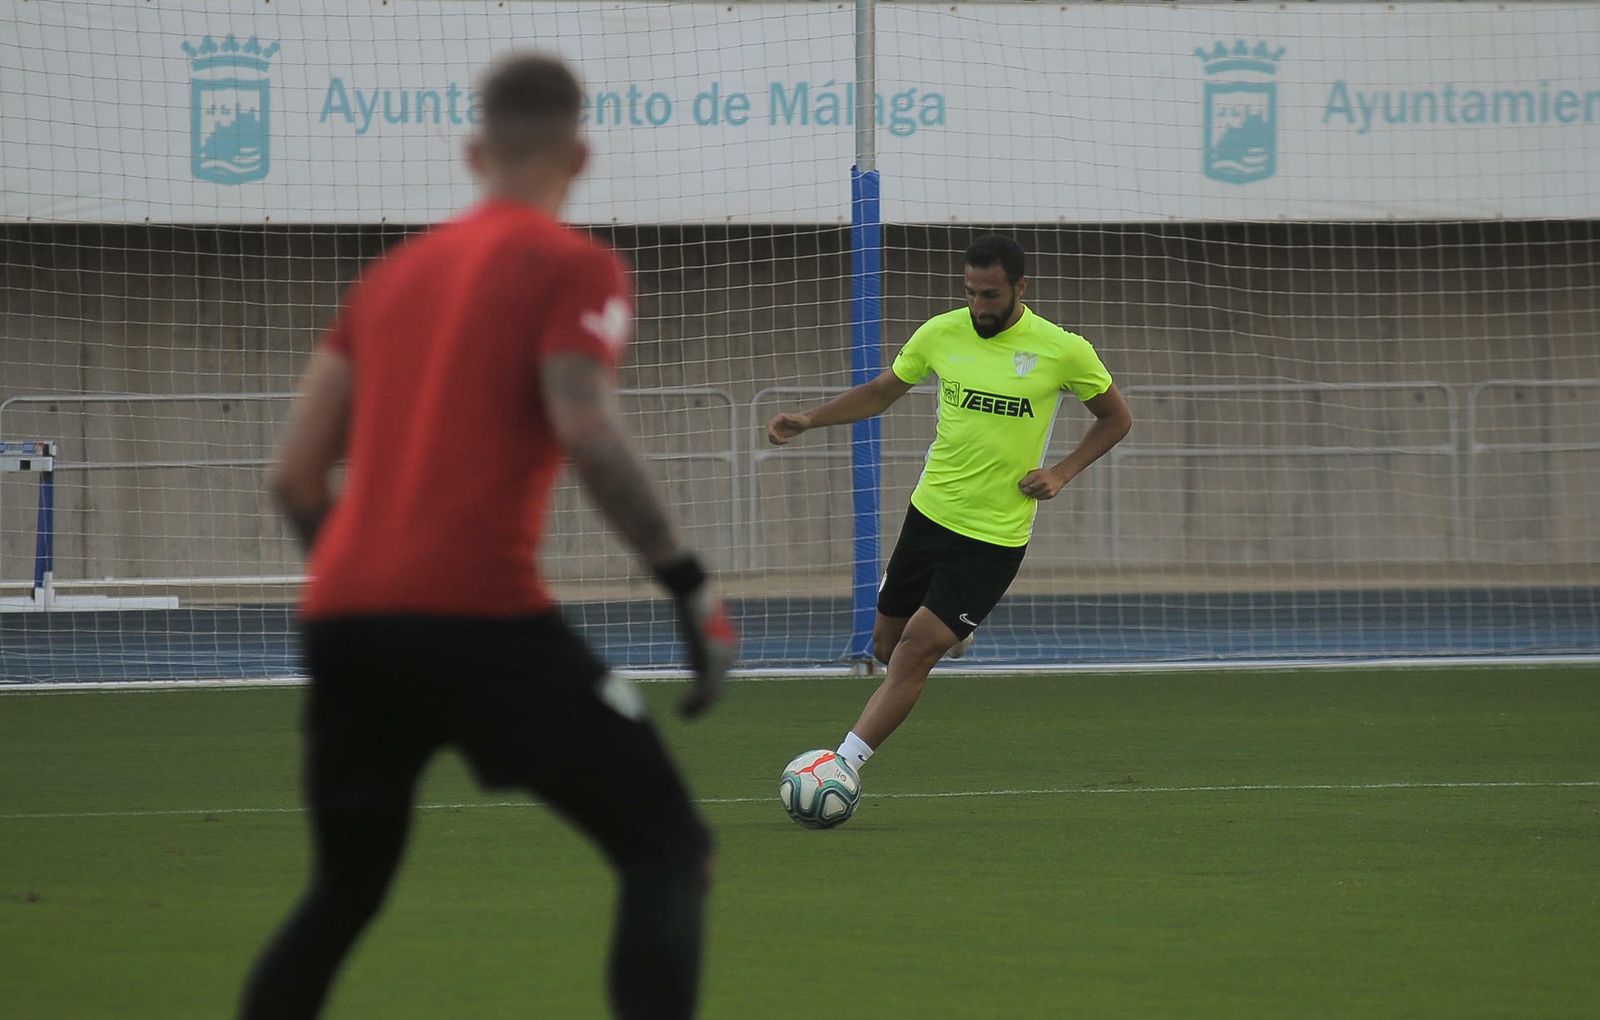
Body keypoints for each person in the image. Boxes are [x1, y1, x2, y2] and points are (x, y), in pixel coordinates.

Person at [240, 53, 736, 1020]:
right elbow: (585, 426)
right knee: (668, 849)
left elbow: (293, 476)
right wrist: (687, 584)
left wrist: (372, 604)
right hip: (480, 614)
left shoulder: (385, 281)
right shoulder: (573, 266)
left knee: (342, 894)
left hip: (343, 619)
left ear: (472, 150)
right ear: (581, 155)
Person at [766, 234, 1131, 773]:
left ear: (1020, 288)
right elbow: (881, 391)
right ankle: (956, 632)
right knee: (886, 648)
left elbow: (1116, 418)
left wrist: (1061, 472)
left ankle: (839, 767)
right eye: (970, 293)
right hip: (929, 515)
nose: (978, 306)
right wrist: (810, 419)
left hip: (994, 536)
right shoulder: (941, 332)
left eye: (990, 295)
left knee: (914, 651)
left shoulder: (1063, 349)